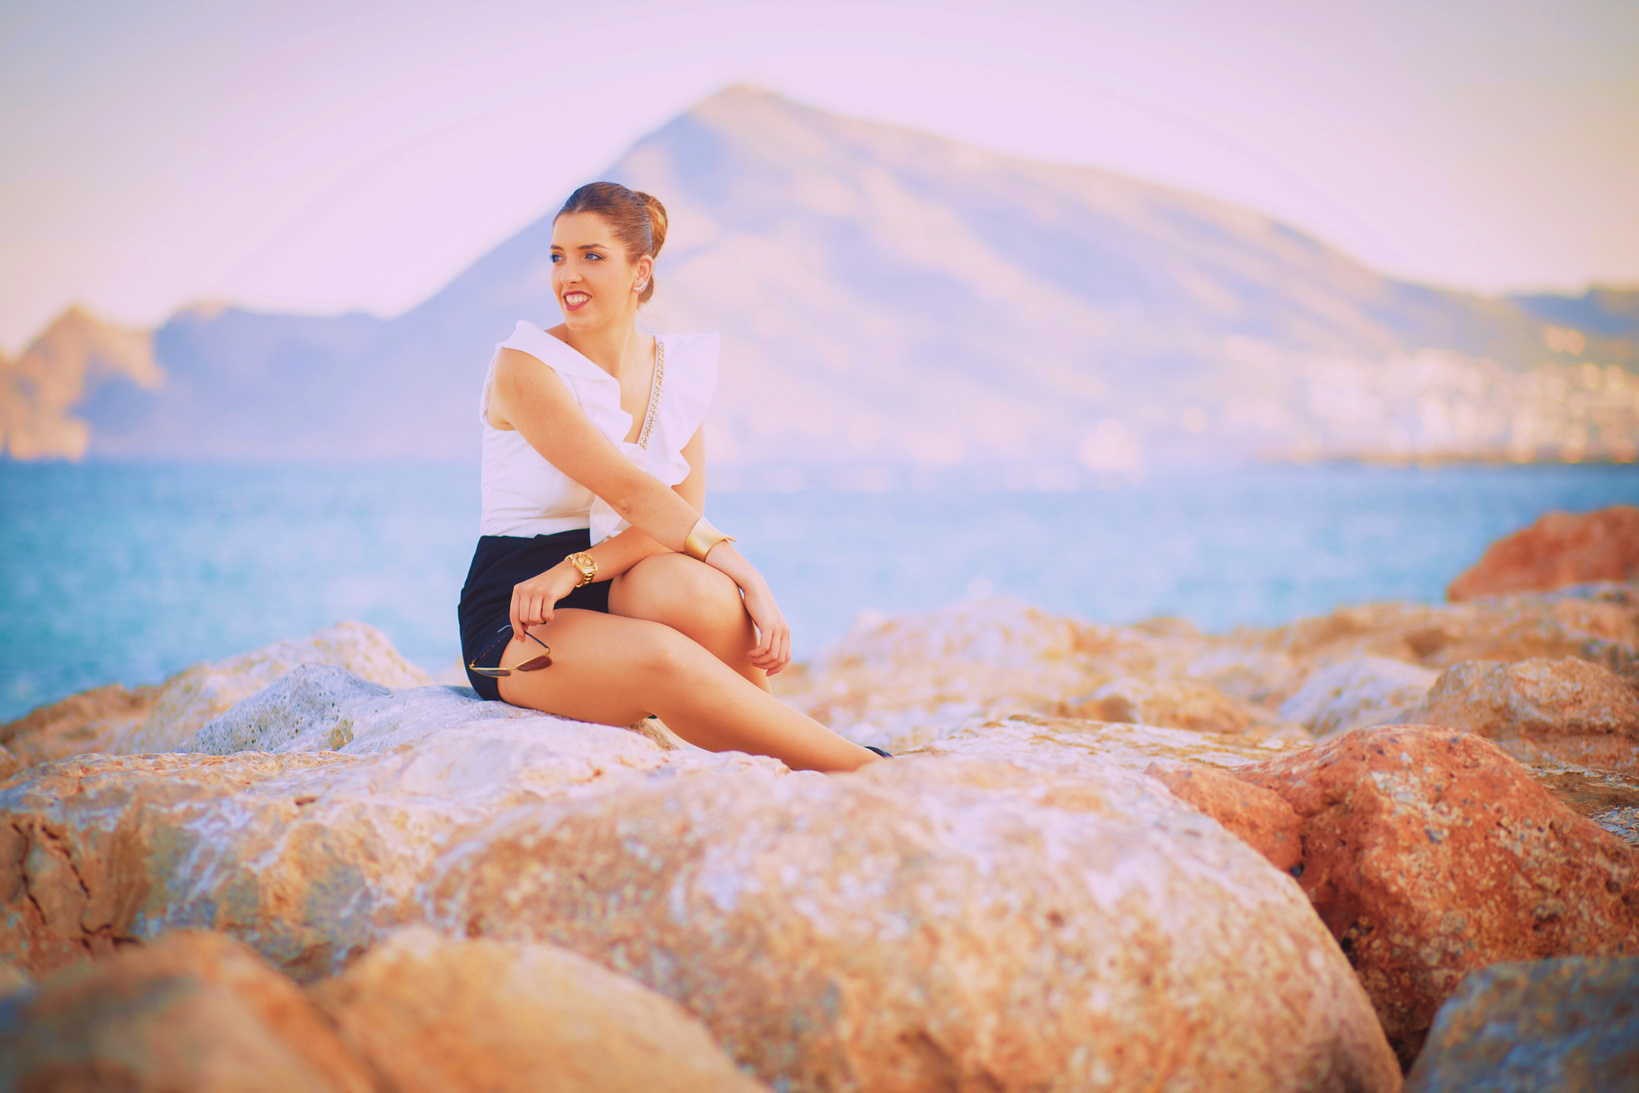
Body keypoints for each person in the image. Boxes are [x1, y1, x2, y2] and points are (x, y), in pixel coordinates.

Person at [457, 182, 883, 773]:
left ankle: (790, 757)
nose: (568, 275)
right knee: (665, 657)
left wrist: (579, 568)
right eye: (557, 257)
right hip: (519, 610)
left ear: (641, 271)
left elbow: (675, 517)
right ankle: (869, 770)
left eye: (592, 256)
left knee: (703, 592)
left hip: (614, 575)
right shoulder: (526, 366)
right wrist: (748, 575)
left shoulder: (676, 371)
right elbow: (631, 493)